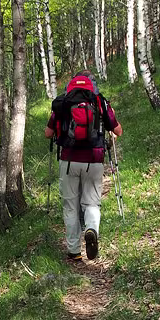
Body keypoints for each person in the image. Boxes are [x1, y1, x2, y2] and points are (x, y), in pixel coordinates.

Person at [45, 71, 123, 262]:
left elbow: (48, 133)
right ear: (92, 84)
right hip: (94, 159)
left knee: (70, 206)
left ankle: (74, 251)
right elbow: (118, 130)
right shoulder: (99, 101)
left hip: (69, 160)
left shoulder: (64, 102)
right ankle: (91, 229)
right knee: (92, 203)